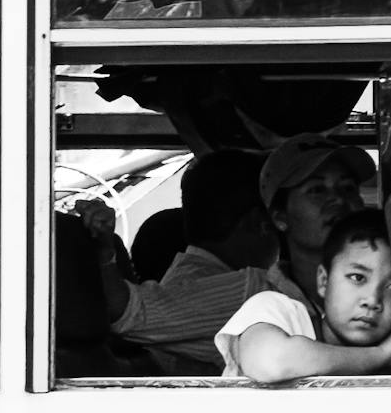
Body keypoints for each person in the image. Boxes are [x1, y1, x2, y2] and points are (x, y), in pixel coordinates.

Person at [79, 151, 279, 375]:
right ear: (260, 224)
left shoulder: (192, 283)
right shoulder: (250, 291)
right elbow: (129, 313)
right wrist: (105, 253)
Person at [216, 208, 391, 382]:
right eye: (357, 277)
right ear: (324, 281)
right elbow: (271, 362)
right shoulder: (280, 312)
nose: (372, 300)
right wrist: (380, 355)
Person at [260, 132, 374, 309]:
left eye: (348, 188)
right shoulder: (261, 304)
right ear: (280, 217)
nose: (338, 199)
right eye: (317, 190)